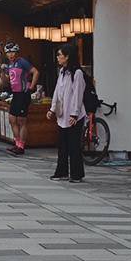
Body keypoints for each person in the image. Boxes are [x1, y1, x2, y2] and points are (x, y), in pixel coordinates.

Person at [46, 44, 86, 183]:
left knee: (74, 146)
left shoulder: (77, 73)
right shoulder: (62, 71)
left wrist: (74, 114)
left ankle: (77, 174)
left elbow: (78, 95)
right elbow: (57, 91)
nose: (58, 57)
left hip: (74, 116)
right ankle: (61, 172)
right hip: (63, 114)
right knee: (62, 146)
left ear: (67, 56)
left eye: (60, 55)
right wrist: (52, 109)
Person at [3, 43, 39, 155]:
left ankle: (21, 146)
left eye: (12, 52)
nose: (10, 55)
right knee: (12, 119)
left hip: (23, 94)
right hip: (15, 94)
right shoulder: (10, 65)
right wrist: (3, 72)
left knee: (21, 121)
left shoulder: (22, 62)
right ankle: (17, 143)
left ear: (16, 52)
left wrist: (31, 87)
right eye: (8, 53)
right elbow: (8, 81)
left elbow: (36, 72)